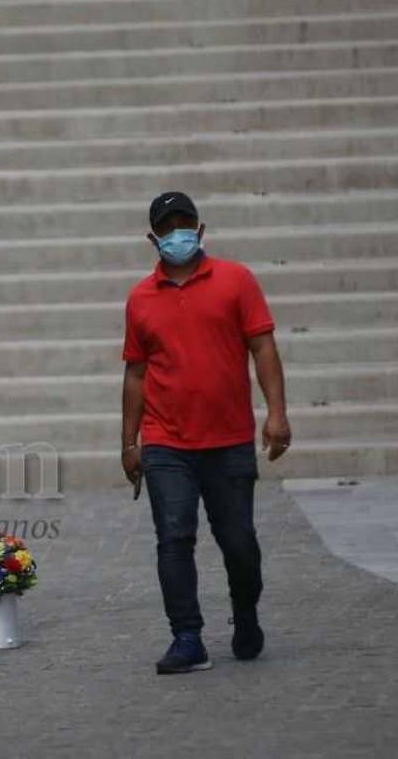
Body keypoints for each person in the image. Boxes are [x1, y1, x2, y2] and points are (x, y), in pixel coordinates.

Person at [120, 192, 291, 674]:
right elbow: (135, 373)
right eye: (167, 226)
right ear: (153, 238)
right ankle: (187, 636)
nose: (177, 233)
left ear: (200, 229)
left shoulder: (237, 281)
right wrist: (129, 443)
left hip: (230, 439)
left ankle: (245, 612)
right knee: (173, 538)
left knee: (238, 542)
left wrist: (276, 413)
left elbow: (263, 348)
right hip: (167, 443)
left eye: (184, 223)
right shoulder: (140, 299)